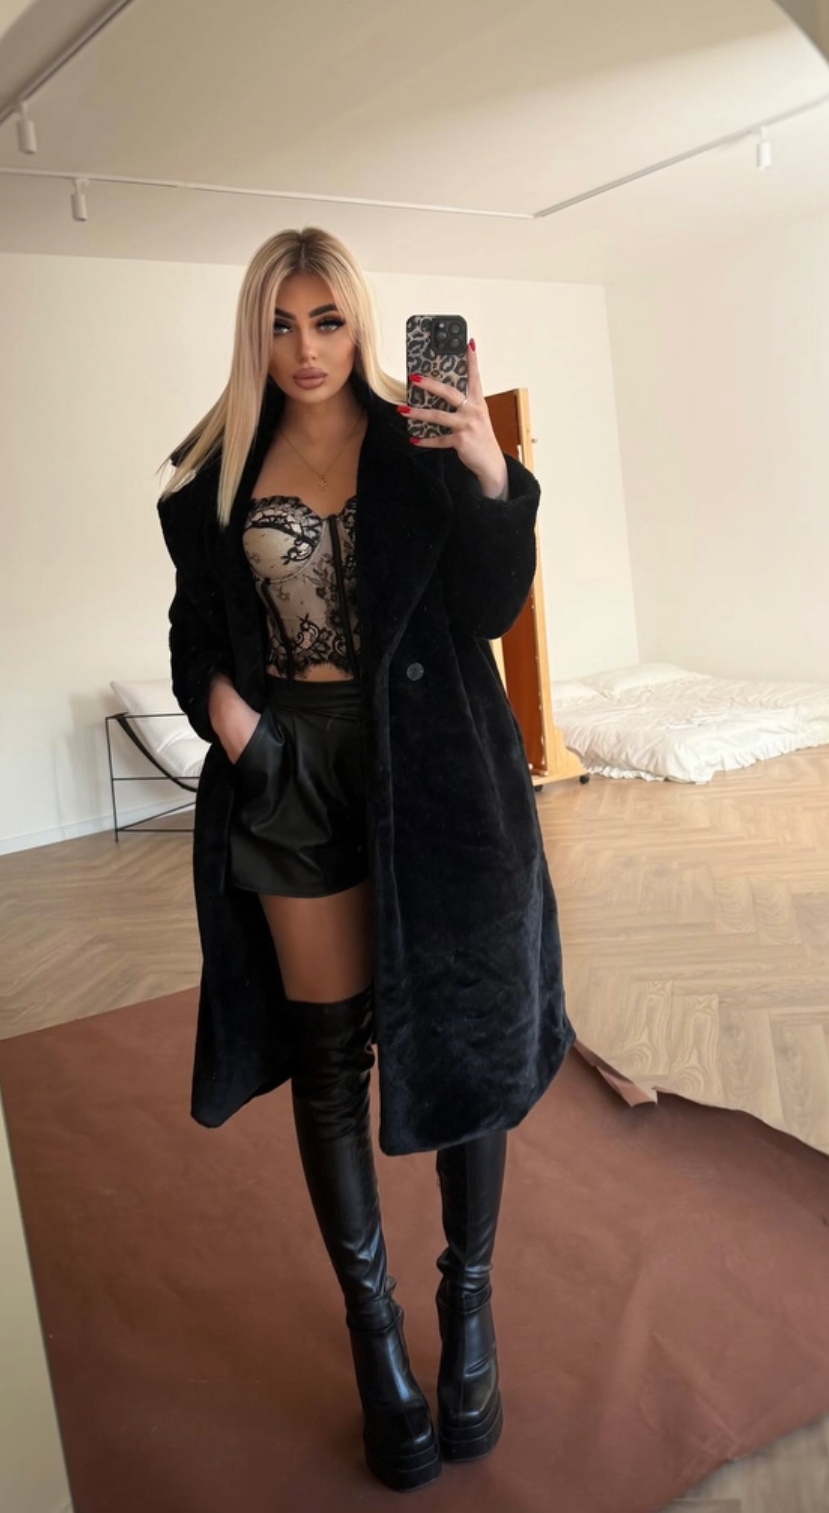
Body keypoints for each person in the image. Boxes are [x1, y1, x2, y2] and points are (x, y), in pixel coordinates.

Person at [157, 226, 576, 1493]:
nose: (306, 349)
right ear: (255, 332)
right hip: (292, 774)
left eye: (328, 320)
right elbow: (194, 631)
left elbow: (490, 608)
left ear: (361, 322)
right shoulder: (214, 474)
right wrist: (235, 722)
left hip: (435, 768)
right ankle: (373, 1337)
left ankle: (467, 1306)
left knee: (462, 1034)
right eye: (281, 324)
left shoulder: (420, 442)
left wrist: (490, 470)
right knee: (331, 1058)